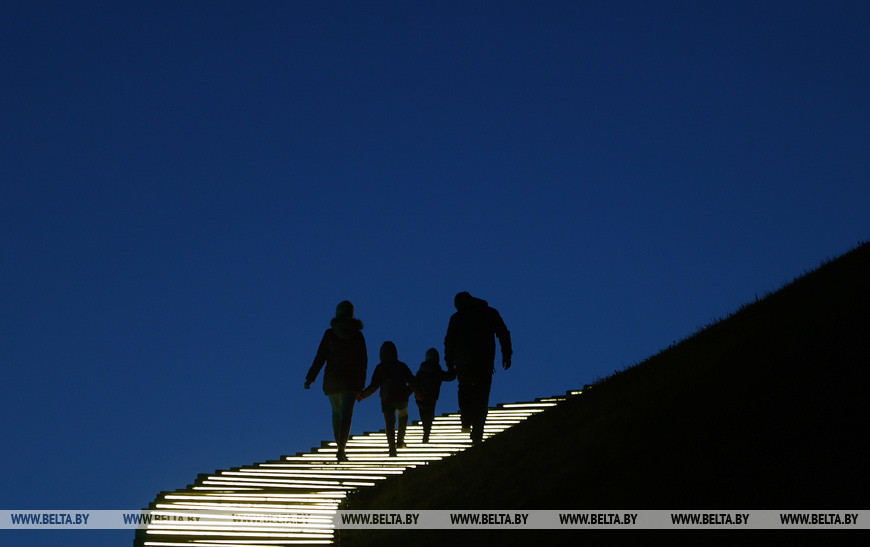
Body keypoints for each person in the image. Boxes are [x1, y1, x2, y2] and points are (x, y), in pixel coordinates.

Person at [444, 291, 512, 444]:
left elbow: (449, 342)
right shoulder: (489, 312)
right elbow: (503, 333)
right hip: (484, 361)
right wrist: (506, 353)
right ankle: (477, 431)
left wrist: (450, 364)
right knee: (482, 396)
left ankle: (467, 420)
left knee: (465, 391)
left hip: (465, 363)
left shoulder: (457, 318)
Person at [305, 300, 367, 463]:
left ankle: (339, 445)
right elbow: (363, 362)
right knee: (346, 415)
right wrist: (361, 386)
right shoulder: (358, 335)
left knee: (336, 413)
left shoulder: (329, 334)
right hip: (350, 381)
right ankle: (341, 449)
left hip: (333, 380)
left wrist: (310, 377)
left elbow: (320, 357)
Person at [360, 341, 416, 457]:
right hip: (401, 397)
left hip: (387, 398)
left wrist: (362, 395)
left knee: (389, 423)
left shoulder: (380, 368)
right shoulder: (401, 366)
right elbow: (412, 381)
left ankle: (392, 448)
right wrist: (413, 392)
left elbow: (374, 386)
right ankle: (400, 441)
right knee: (403, 417)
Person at [414, 348, 455, 443]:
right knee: (429, 415)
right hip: (432, 398)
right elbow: (449, 377)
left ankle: (425, 431)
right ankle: (426, 433)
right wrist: (452, 368)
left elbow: (414, 382)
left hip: (420, 397)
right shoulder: (437, 371)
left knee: (423, 415)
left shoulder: (421, 371)